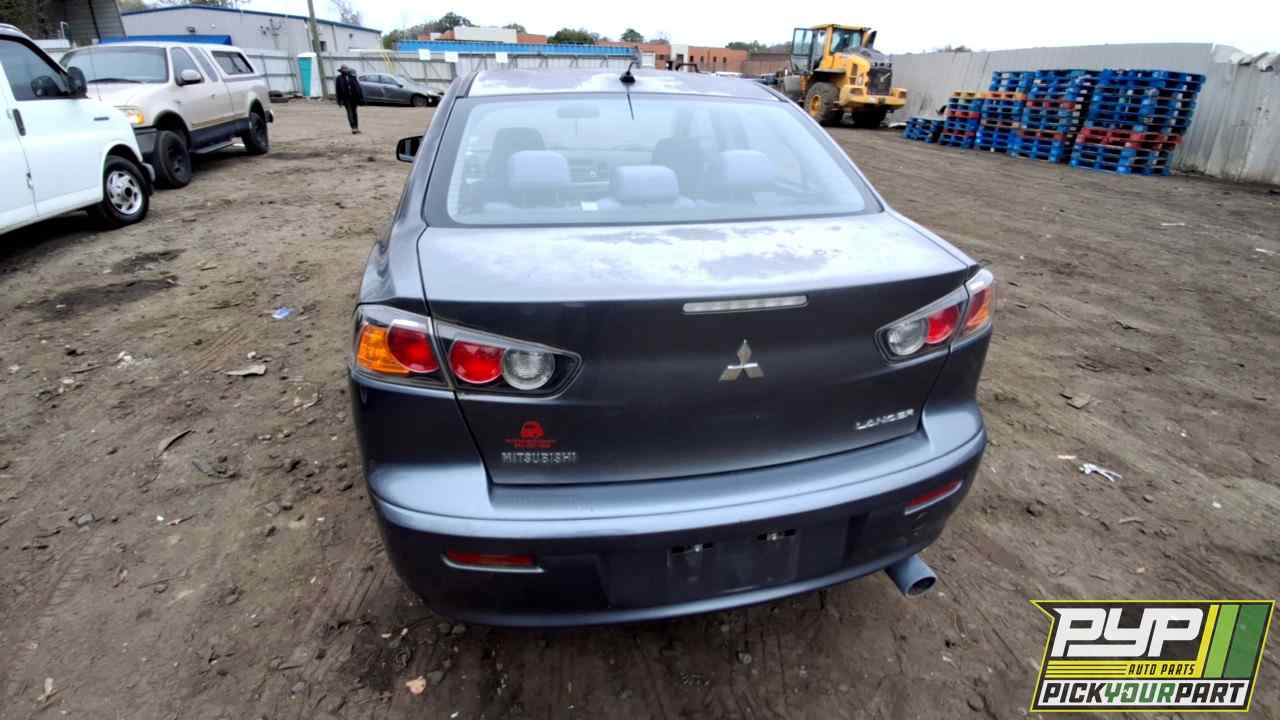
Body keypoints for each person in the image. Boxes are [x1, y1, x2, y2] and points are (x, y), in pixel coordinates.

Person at [334, 65, 364, 134]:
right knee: (350, 112)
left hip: (354, 98)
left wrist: (360, 98)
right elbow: (338, 90)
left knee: (354, 113)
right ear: (341, 71)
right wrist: (339, 101)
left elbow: (358, 88)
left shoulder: (352, 77)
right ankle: (353, 128)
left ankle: (356, 127)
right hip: (346, 99)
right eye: (344, 70)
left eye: (346, 70)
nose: (345, 71)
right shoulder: (339, 78)